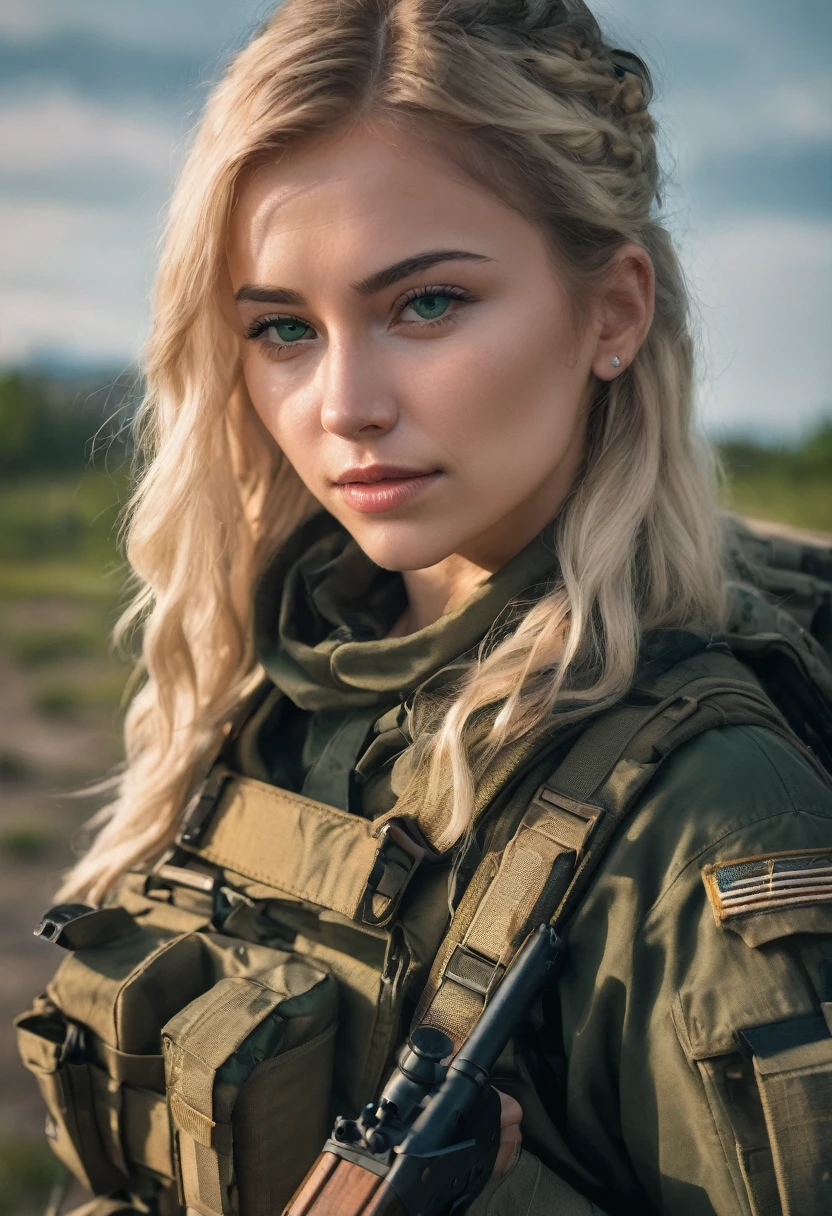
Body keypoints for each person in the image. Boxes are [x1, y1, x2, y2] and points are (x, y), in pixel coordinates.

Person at [18, 2, 832, 1215]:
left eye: (428, 304)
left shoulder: (708, 813)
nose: (343, 403)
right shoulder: (271, 683)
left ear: (611, 311)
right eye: (284, 328)